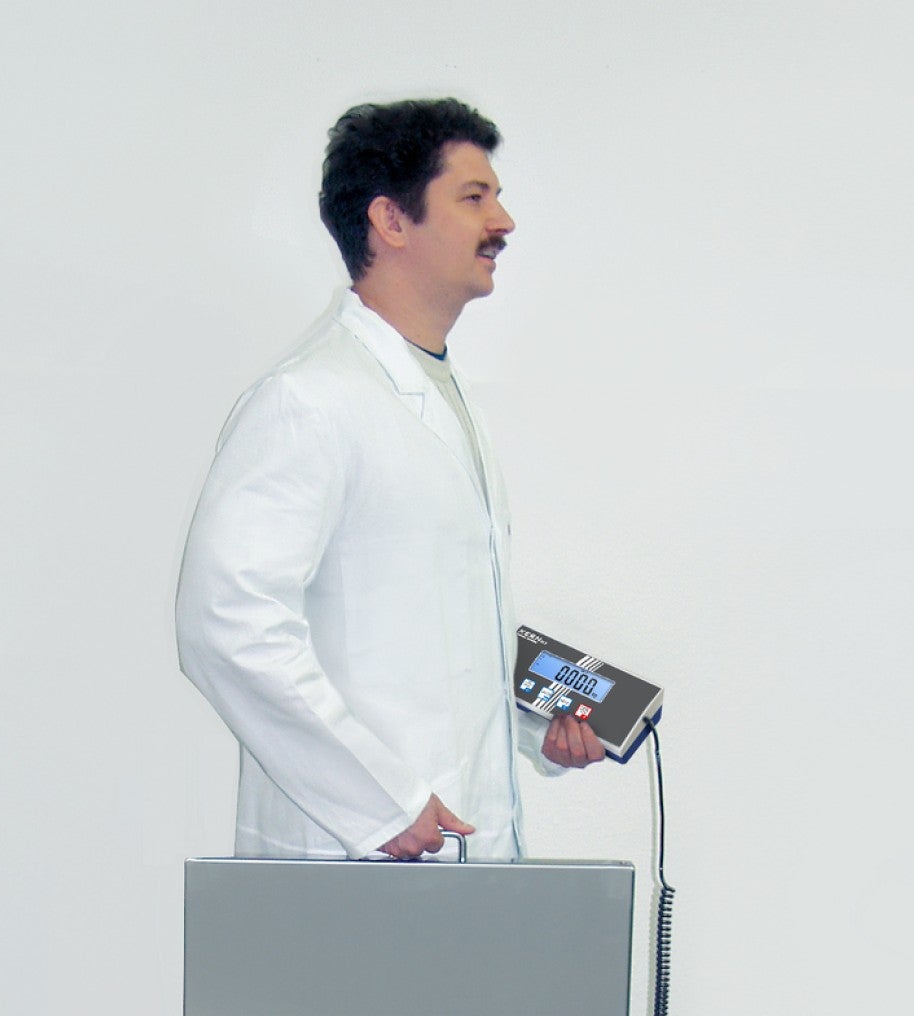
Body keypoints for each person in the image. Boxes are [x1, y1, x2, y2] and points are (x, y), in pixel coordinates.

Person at [176, 98, 602, 863]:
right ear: (391, 221)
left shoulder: (442, 397)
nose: (502, 222)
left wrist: (546, 718)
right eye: (473, 197)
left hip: (453, 847)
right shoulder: (308, 401)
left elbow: (439, 629)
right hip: (359, 850)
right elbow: (227, 622)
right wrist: (377, 803)